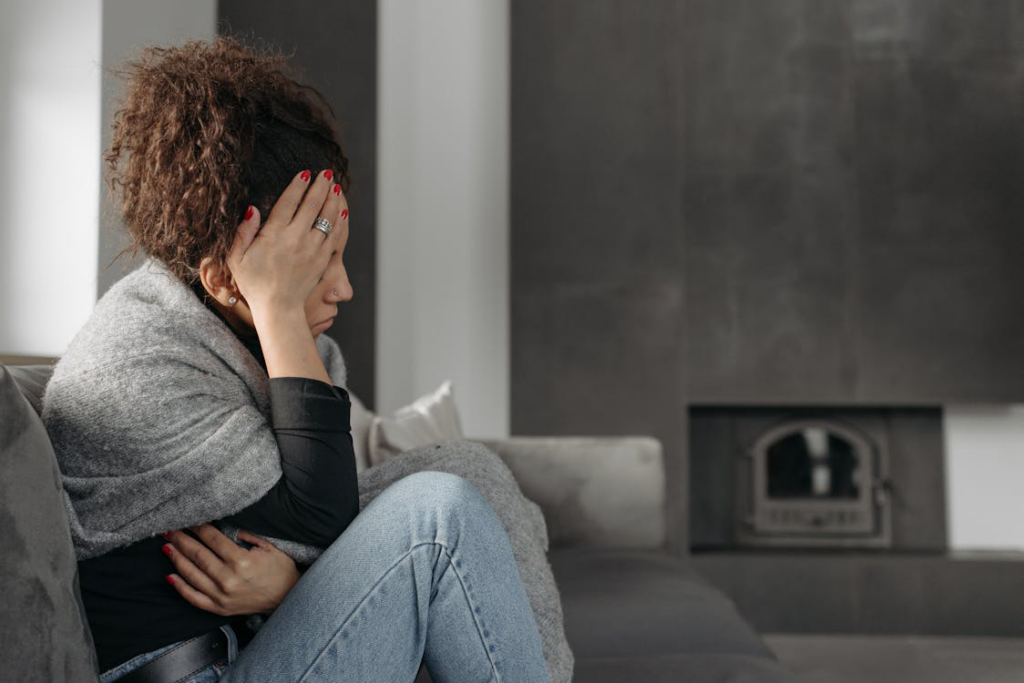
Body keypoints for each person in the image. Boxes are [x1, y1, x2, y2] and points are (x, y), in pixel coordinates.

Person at [41, 34, 572, 683]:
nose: (345, 287)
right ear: (226, 277)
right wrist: (281, 310)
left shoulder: (281, 343)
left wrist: (287, 585)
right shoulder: (133, 361)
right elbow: (324, 520)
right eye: (317, 264)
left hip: (262, 647)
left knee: (468, 471)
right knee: (440, 515)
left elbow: (325, 516)